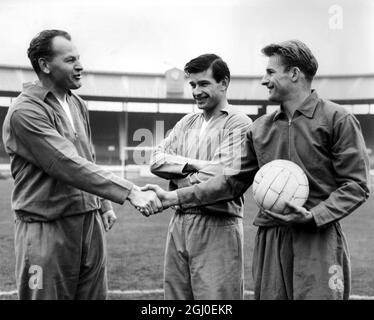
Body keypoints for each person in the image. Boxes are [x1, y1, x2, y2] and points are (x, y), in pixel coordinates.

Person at [144, 40, 370, 300]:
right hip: (270, 238)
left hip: (318, 236)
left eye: (270, 72)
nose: (264, 80)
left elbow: (356, 186)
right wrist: (173, 197)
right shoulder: (259, 128)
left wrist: (314, 215)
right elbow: (231, 182)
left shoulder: (337, 119)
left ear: (294, 74)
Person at [2, 29, 162, 300]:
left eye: (79, 58)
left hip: (89, 224)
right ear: (45, 65)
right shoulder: (25, 112)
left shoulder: (77, 103)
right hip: (45, 229)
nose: (80, 66)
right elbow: (66, 162)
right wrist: (130, 191)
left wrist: (103, 203)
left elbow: (86, 155)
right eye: (70, 60)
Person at [148, 54, 252, 299]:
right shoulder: (187, 122)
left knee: (215, 303)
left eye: (203, 84)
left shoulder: (240, 123)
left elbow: (222, 178)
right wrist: (195, 165)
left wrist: (177, 183)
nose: (196, 91)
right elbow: (155, 159)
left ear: (223, 83)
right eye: (192, 85)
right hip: (180, 223)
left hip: (217, 223)